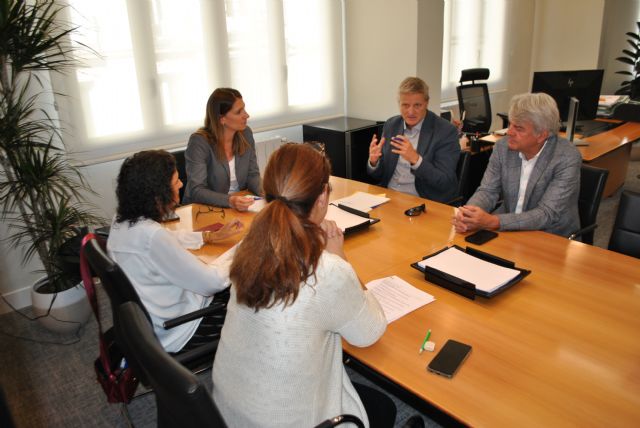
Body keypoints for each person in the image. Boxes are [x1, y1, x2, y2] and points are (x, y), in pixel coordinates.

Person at [212, 143, 396, 428]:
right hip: (286, 420)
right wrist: (341, 257)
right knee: (384, 407)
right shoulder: (328, 271)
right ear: (322, 196)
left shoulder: (248, 247)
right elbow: (370, 332)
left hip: (228, 412)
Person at [108, 150, 243, 353]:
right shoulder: (151, 236)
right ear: (157, 193)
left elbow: (168, 239)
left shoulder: (123, 222)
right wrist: (240, 250)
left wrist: (208, 236)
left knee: (234, 285)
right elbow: (212, 283)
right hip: (181, 328)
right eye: (176, 181)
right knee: (251, 308)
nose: (181, 184)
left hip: (155, 318)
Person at [454, 92, 582, 236]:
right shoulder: (503, 147)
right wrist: (469, 214)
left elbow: (546, 214)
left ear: (541, 135)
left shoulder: (566, 157)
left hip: (551, 235)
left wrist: (493, 222)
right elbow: (488, 190)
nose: (509, 132)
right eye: (510, 124)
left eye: (519, 128)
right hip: (508, 230)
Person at [367, 77, 460, 203]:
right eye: (405, 105)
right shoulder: (391, 125)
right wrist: (374, 162)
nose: (410, 112)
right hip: (389, 197)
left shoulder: (445, 131)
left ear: (426, 103)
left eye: (417, 105)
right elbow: (378, 176)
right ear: (399, 104)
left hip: (423, 201)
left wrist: (415, 160)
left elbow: (444, 181)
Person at [183, 87, 261, 211]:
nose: (246, 115)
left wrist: (269, 193)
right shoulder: (199, 142)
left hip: (239, 204)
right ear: (222, 119)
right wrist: (230, 201)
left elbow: (252, 175)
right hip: (205, 209)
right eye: (239, 112)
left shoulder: (246, 133)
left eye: (244, 109)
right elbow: (197, 190)